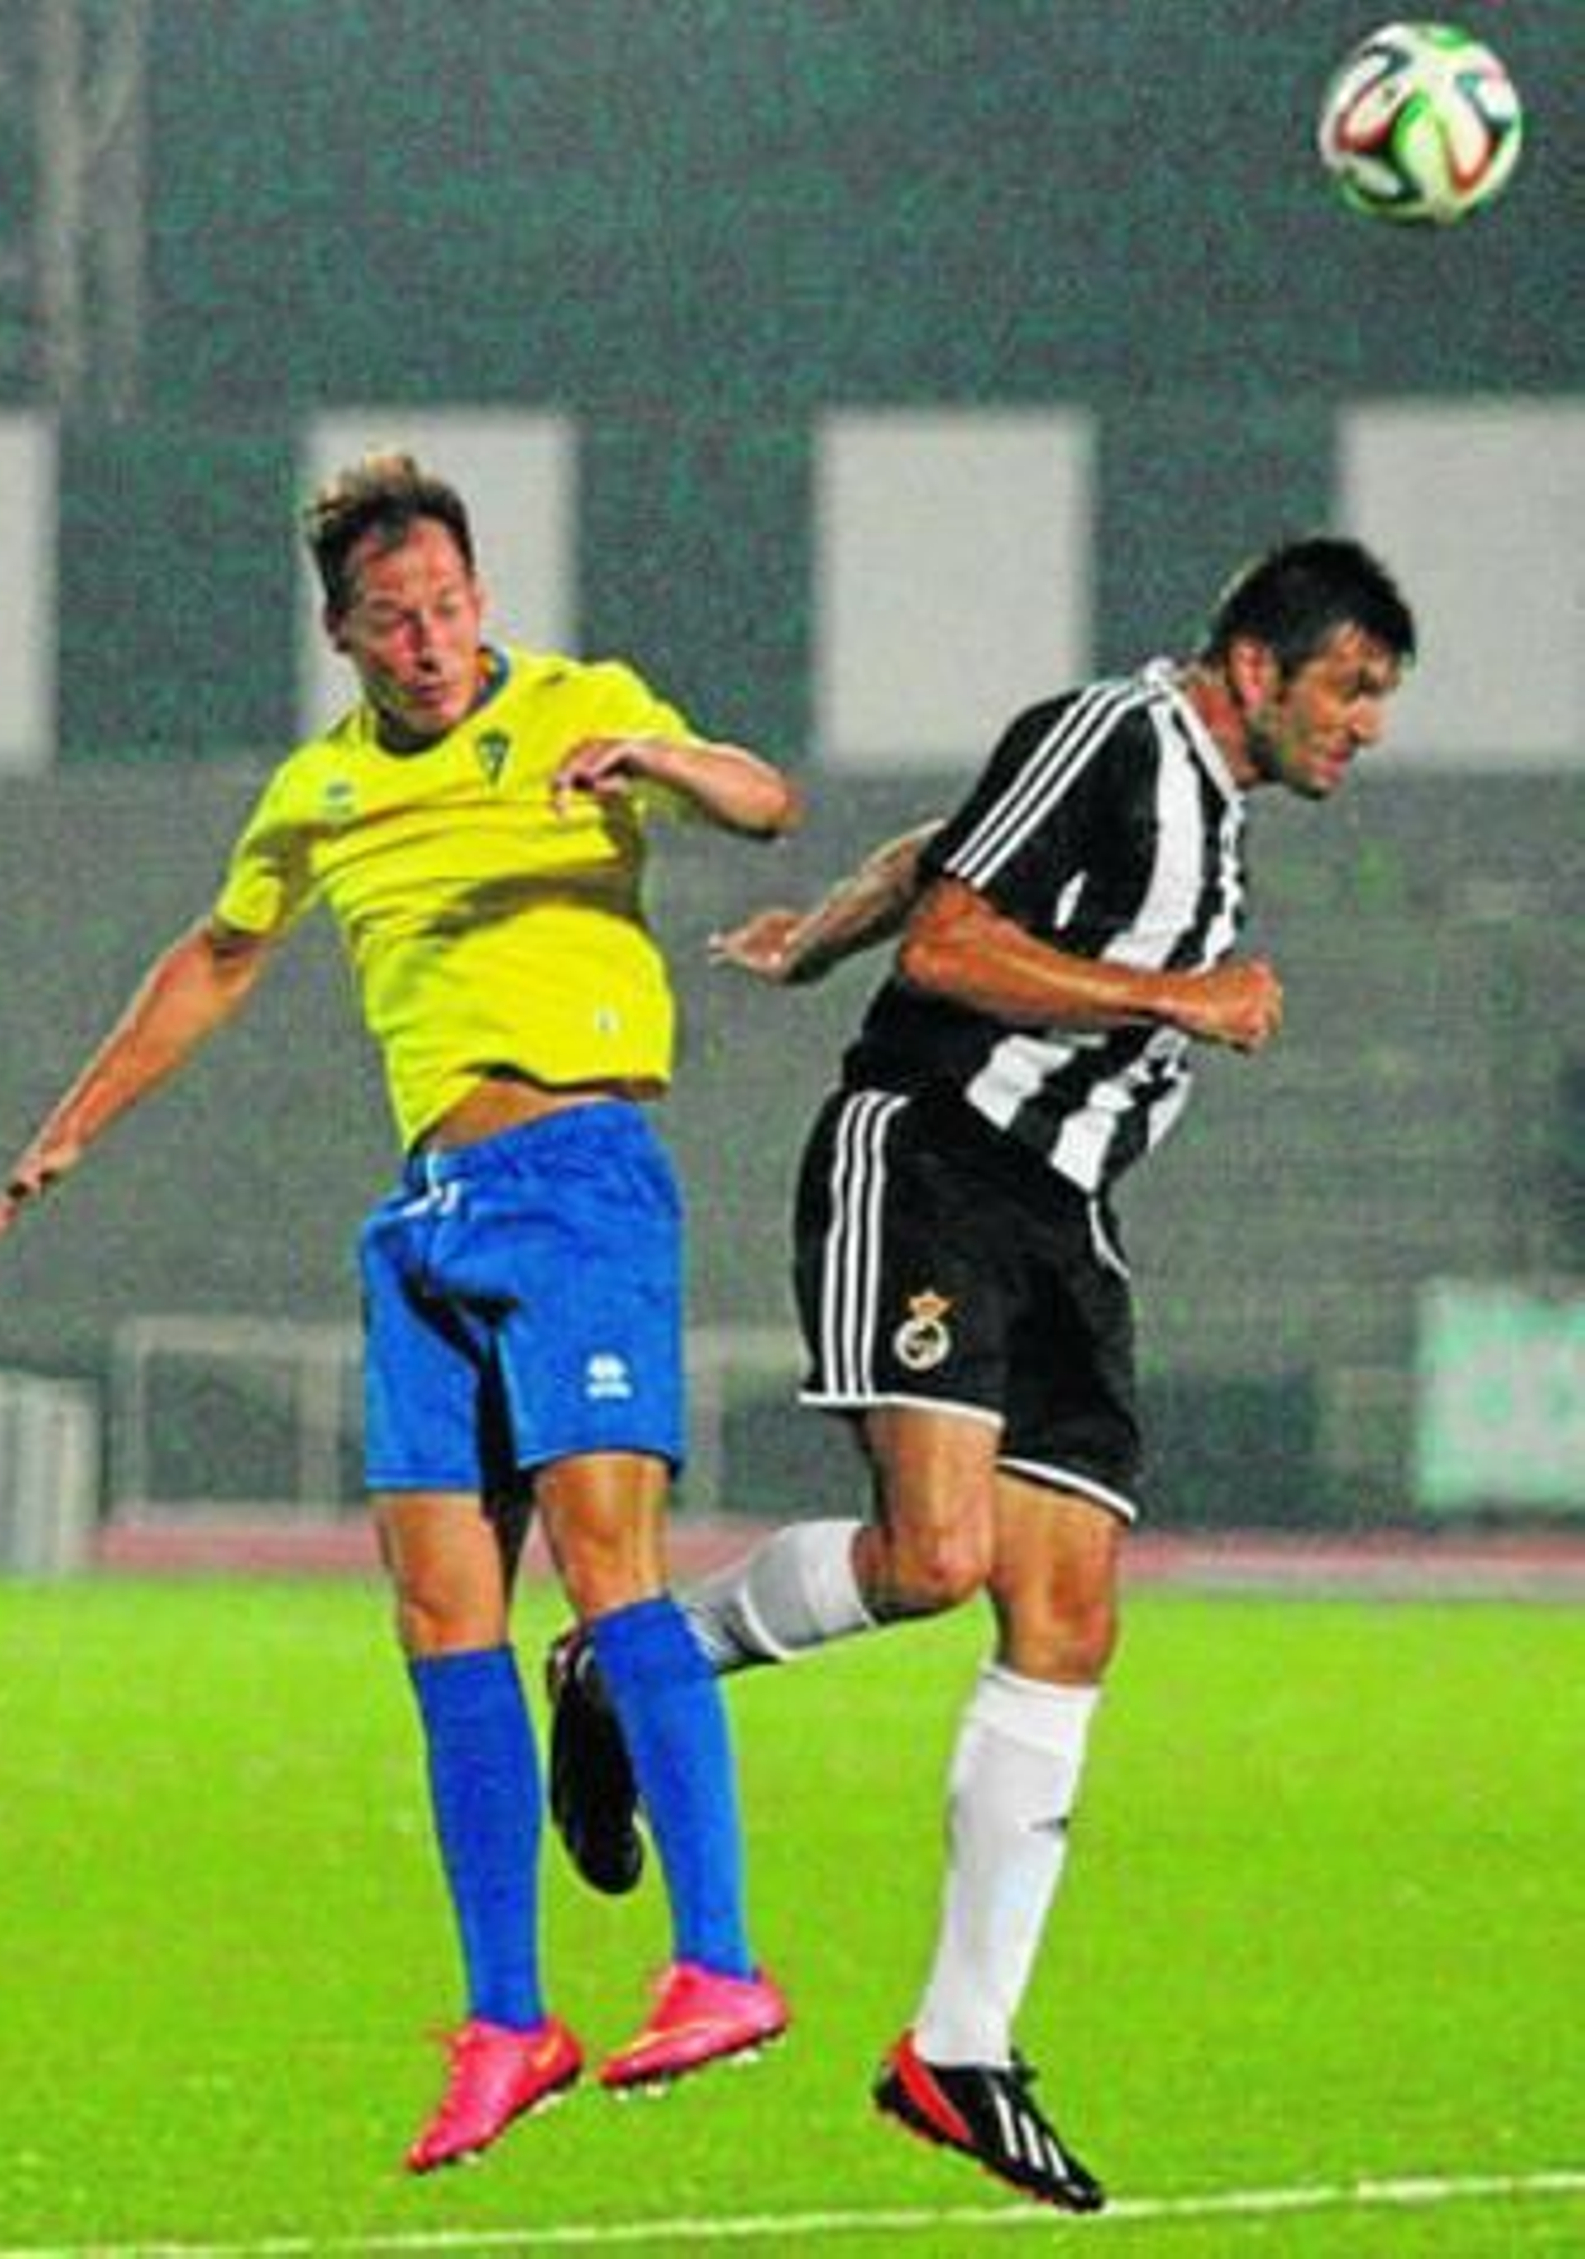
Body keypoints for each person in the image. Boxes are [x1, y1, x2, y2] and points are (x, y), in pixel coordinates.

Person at [549, 535, 1418, 2211]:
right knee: (936, 1562)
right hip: (940, 1161)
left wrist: (813, 933)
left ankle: (959, 2049)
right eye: (1352, 689)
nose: (1366, 726)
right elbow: (953, 943)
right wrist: (1178, 996)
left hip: (1066, 1222)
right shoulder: (1114, 731)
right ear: (1258, 666)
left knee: (1069, 1617)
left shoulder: (1206, 806)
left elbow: (936, 855)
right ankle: (617, 1659)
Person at [0, 452, 801, 2173]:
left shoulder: (584, 704)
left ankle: (718, 1964)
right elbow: (218, 954)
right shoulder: (320, 791)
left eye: (445, 609)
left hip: (578, 1182)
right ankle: (511, 2017)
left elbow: (764, 802)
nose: (427, 644)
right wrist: (67, 1128)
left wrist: (659, 757)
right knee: (441, 1620)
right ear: (342, 639)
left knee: (604, 1565)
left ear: (479, 599)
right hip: (423, 1214)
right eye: (391, 624)